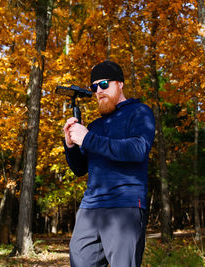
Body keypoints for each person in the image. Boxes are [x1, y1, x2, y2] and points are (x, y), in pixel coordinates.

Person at [63, 60, 155, 267]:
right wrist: (70, 146)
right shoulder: (95, 126)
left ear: (119, 84)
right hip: (90, 209)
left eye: (104, 84)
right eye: (94, 87)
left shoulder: (139, 112)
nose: (98, 91)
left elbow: (138, 150)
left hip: (124, 206)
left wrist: (87, 139)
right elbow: (79, 169)